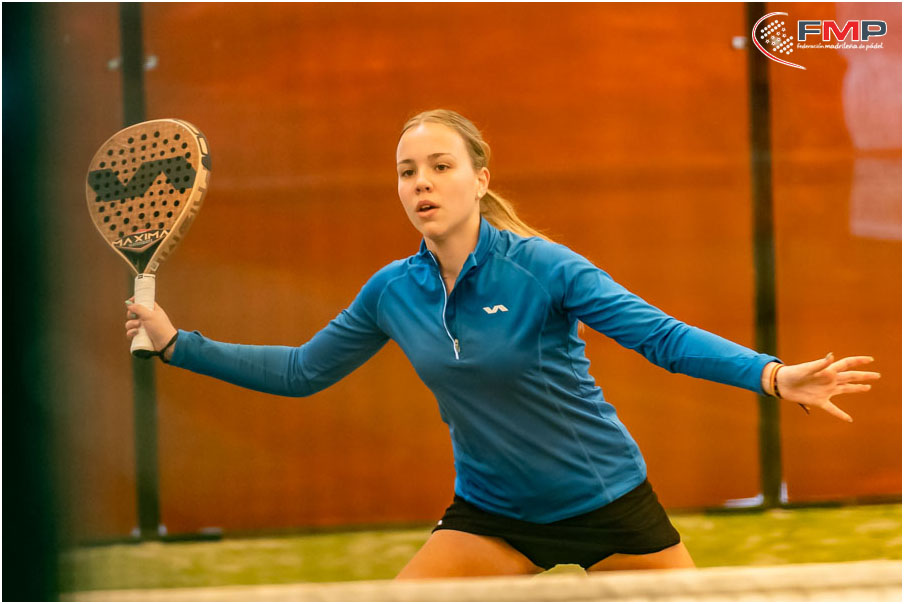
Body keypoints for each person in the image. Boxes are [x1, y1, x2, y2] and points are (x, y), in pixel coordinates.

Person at [125, 109, 880, 578]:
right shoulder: (391, 291)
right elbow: (302, 371)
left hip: (605, 502)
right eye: (407, 172)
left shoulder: (544, 267)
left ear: (480, 178)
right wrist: (176, 344)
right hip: (493, 514)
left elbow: (659, 336)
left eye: (440, 167)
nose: (422, 184)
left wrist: (772, 376)